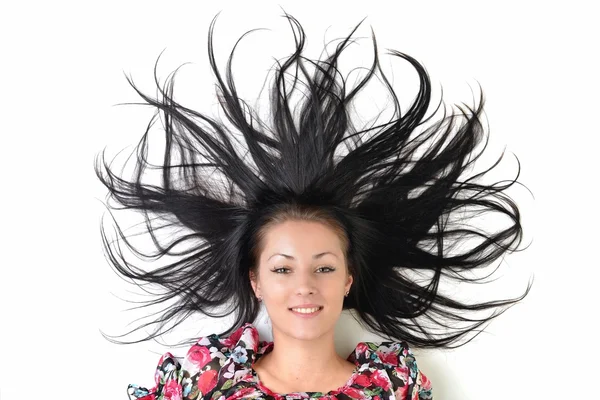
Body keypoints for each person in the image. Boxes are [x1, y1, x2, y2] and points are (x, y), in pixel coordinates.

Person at [96, 13, 529, 400]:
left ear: (348, 279)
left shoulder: (393, 387)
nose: (304, 286)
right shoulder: (202, 383)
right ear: (256, 281)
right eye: (282, 268)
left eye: (323, 267)